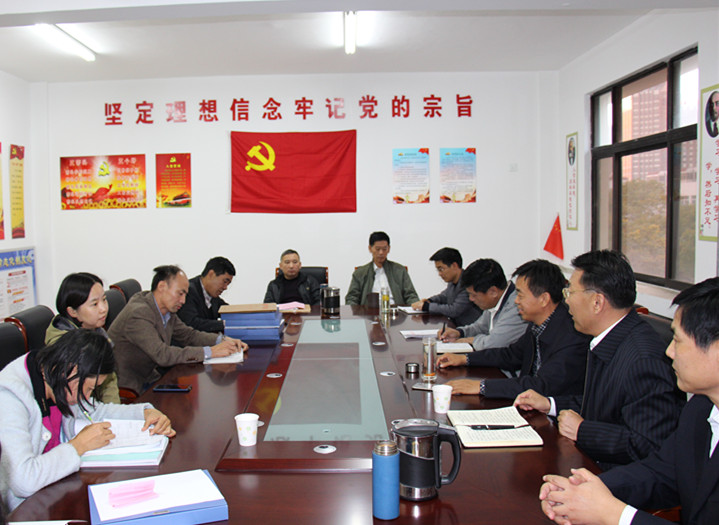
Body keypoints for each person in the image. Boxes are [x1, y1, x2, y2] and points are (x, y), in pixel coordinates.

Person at [538, 277, 719, 525]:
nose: (669, 352)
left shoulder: (642, 356)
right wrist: (583, 489)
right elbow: (661, 473)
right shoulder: (701, 408)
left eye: (677, 340)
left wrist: (614, 514)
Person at [514, 250, 682, 470]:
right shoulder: (610, 337)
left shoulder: (643, 359)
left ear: (597, 302)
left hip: (617, 477)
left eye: (570, 292)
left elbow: (647, 443)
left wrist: (582, 430)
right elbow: (601, 404)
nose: (566, 301)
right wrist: (550, 404)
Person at [0, 330, 176, 512]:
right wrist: (78, 446)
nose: (86, 397)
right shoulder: (10, 396)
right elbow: (23, 481)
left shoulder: (57, 375)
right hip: (24, 510)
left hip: (57, 489)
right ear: (72, 370)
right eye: (90, 388)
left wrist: (144, 412)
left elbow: (95, 411)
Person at [438, 259, 589, 399]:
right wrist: (465, 359)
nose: (516, 301)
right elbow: (510, 355)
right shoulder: (537, 325)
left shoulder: (571, 335)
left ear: (543, 299)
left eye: (520, 295)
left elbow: (542, 385)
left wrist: (482, 386)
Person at [108, 265, 247, 394]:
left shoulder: (166, 310)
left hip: (151, 376)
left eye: (185, 294)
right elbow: (162, 354)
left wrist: (222, 340)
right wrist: (211, 352)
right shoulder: (139, 313)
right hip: (131, 386)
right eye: (180, 293)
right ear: (162, 286)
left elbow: (189, 335)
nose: (183, 300)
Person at [44, 272, 120, 404]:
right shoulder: (63, 347)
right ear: (73, 311)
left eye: (104, 299)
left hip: (97, 407)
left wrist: (115, 411)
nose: (103, 309)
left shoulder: (97, 331)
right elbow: (74, 399)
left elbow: (109, 381)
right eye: (94, 304)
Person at [439, 258, 527, 351]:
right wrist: (460, 332)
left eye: (474, 295)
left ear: (493, 292)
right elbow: (481, 327)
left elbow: (494, 343)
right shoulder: (494, 302)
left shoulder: (516, 306)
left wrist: (470, 340)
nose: (471, 299)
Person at [410, 247, 481, 326]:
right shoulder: (452, 282)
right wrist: (429, 301)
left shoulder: (468, 284)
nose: (439, 274)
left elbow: (454, 310)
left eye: (441, 269)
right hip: (455, 327)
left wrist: (427, 306)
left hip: (470, 330)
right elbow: (444, 296)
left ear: (454, 265)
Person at [345, 231, 419, 306]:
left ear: (389, 249)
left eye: (384, 249)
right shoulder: (360, 273)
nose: (381, 252)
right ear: (370, 248)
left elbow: (411, 295)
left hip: (395, 311)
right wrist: (355, 311)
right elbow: (352, 298)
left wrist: (416, 306)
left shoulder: (400, 270)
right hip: (369, 311)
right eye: (377, 249)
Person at [177, 256, 235, 333]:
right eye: (224, 282)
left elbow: (227, 310)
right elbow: (191, 323)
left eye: (228, 284)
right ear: (211, 274)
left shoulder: (213, 297)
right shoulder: (188, 291)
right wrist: (224, 324)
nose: (225, 287)